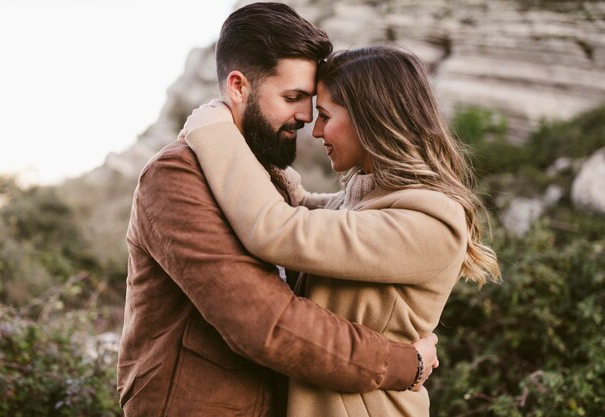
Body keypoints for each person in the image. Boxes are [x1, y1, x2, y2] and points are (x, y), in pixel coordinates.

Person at [117, 4, 439, 417]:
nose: (306, 118)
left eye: (310, 101)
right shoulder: (177, 175)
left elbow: (327, 224)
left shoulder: (259, 174)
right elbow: (264, 322)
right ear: (238, 87)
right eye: (292, 98)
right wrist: (400, 363)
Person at [182, 44, 502, 417]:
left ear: (371, 119)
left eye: (326, 116)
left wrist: (215, 132)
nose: (315, 131)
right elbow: (298, 203)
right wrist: (259, 130)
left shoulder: (430, 221)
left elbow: (276, 228)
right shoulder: (363, 202)